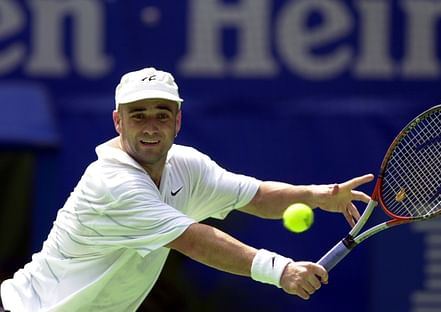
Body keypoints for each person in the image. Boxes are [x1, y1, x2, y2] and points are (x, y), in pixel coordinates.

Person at [0, 67, 374, 312]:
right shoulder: (112, 183)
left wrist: (315, 195)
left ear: (177, 121)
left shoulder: (186, 164)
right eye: (138, 115)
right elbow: (193, 239)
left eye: (162, 115)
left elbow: (255, 196)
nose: (150, 127)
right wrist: (280, 270)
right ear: (118, 121)